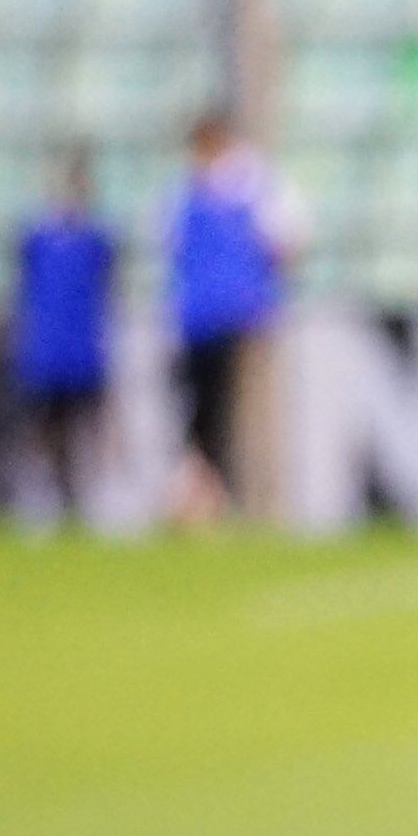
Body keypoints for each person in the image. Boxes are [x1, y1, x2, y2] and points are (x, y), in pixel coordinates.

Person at [163, 108, 304, 524]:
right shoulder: (204, 187)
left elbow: (288, 237)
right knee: (210, 409)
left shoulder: (250, 182)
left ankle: (236, 496)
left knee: (226, 412)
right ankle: (215, 495)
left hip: (236, 317)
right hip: (212, 316)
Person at [9, 143, 117, 528]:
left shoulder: (99, 239)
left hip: (84, 353)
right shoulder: (35, 239)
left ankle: (87, 502)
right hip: (47, 353)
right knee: (48, 432)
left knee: (86, 432)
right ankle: (50, 501)